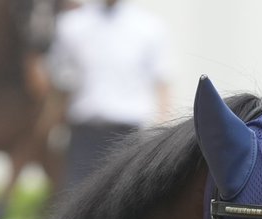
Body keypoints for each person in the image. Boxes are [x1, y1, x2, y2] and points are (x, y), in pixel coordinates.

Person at [47, 0, 172, 191]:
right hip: (84, 131)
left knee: (123, 198)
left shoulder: (148, 26)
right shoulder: (71, 25)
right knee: (77, 196)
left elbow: (161, 79)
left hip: (128, 133)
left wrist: (161, 126)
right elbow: (59, 80)